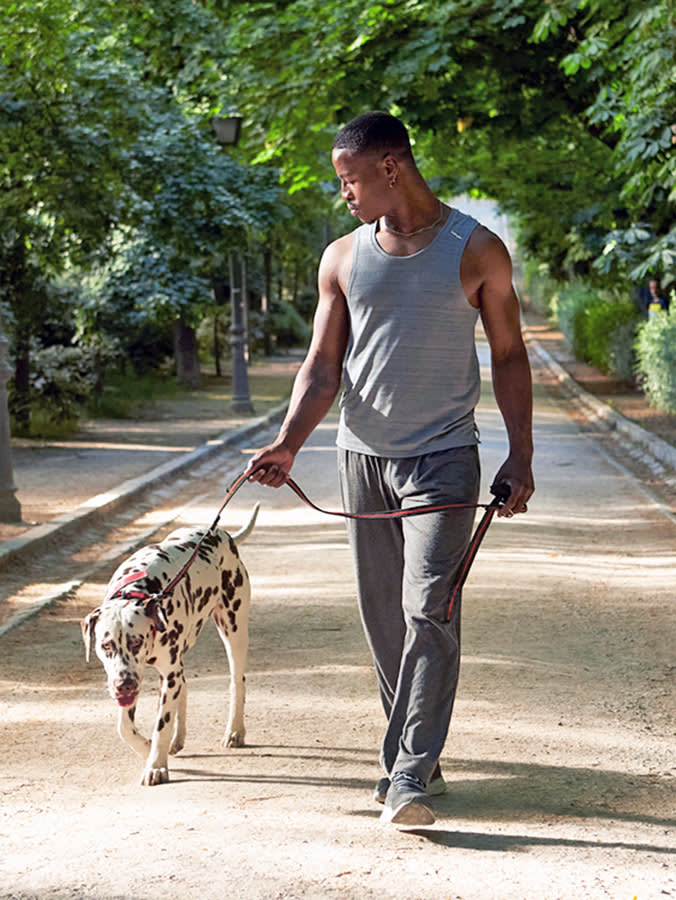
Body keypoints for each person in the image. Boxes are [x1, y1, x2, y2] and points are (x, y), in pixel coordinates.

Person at [246, 111, 534, 827]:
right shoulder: (342, 257)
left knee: (427, 609)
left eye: (349, 178)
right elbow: (321, 367)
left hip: (444, 459)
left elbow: (509, 355)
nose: (343, 192)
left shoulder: (478, 250)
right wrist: (287, 442)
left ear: (391, 169)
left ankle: (406, 776)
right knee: (384, 622)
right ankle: (421, 752)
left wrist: (520, 452)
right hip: (362, 457)